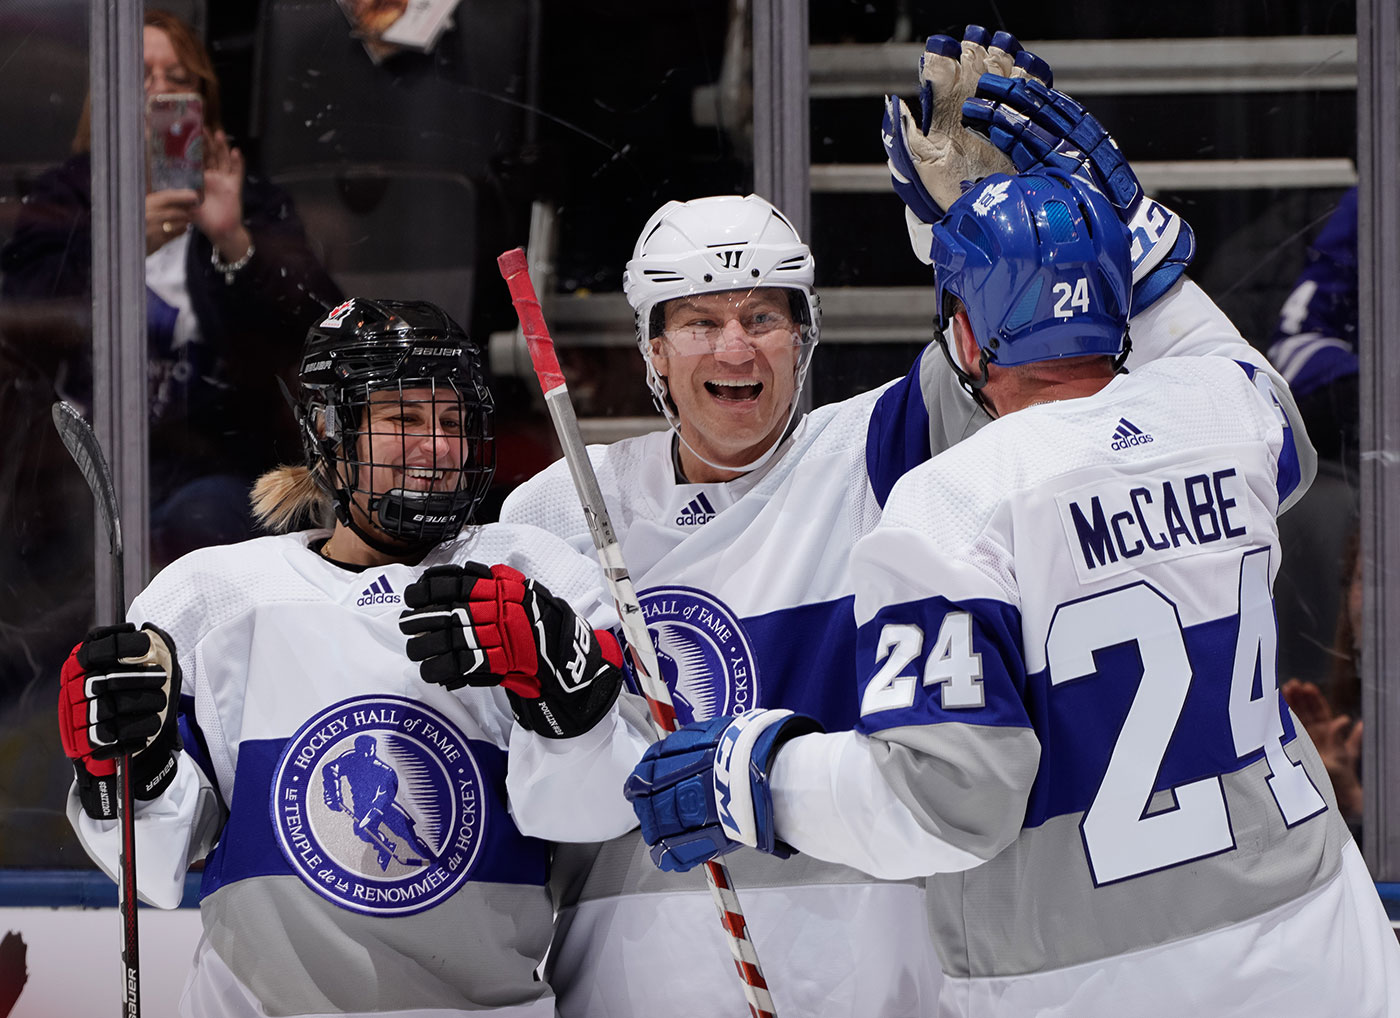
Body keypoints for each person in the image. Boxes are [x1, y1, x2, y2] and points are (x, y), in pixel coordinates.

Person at [496, 27, 1317, 1018]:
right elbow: (544, 800)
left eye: (764, 317)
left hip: (873, 986)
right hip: (635, 985)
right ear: (652, 350)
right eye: (700, 321)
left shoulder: (889, 453)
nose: (736, 347)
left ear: (804, 337)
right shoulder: (555, 510)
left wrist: (985, 229)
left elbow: (1026, 359)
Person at [624, 169, 1400, 1017]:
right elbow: (1266, 406)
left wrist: (755, 773)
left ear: (963, 335)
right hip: (1325, 944)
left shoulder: (953, 502)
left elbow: (948, 803)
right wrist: (1135, 233)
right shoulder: (1223, 411)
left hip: (1092, 982)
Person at [56, 299, 638, 1018]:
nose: (438, 448)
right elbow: (152, 863)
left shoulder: (533, 577)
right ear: (329, 431)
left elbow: (600, 812)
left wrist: (564, 700)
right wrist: (122, 770)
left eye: (453, 421)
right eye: (404, 419)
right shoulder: (213, 595)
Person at [1, 7, 341, 567]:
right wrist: (120, 248)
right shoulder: (64, 197)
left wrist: (233, 239)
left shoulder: (247, 197)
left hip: (213, 461)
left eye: (177, 79)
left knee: (203, 521)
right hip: (77, 462)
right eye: (139, 77)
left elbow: (320, 325)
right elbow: (22, 317)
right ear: (106, 98)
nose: (158, 90)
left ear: (201, 102)